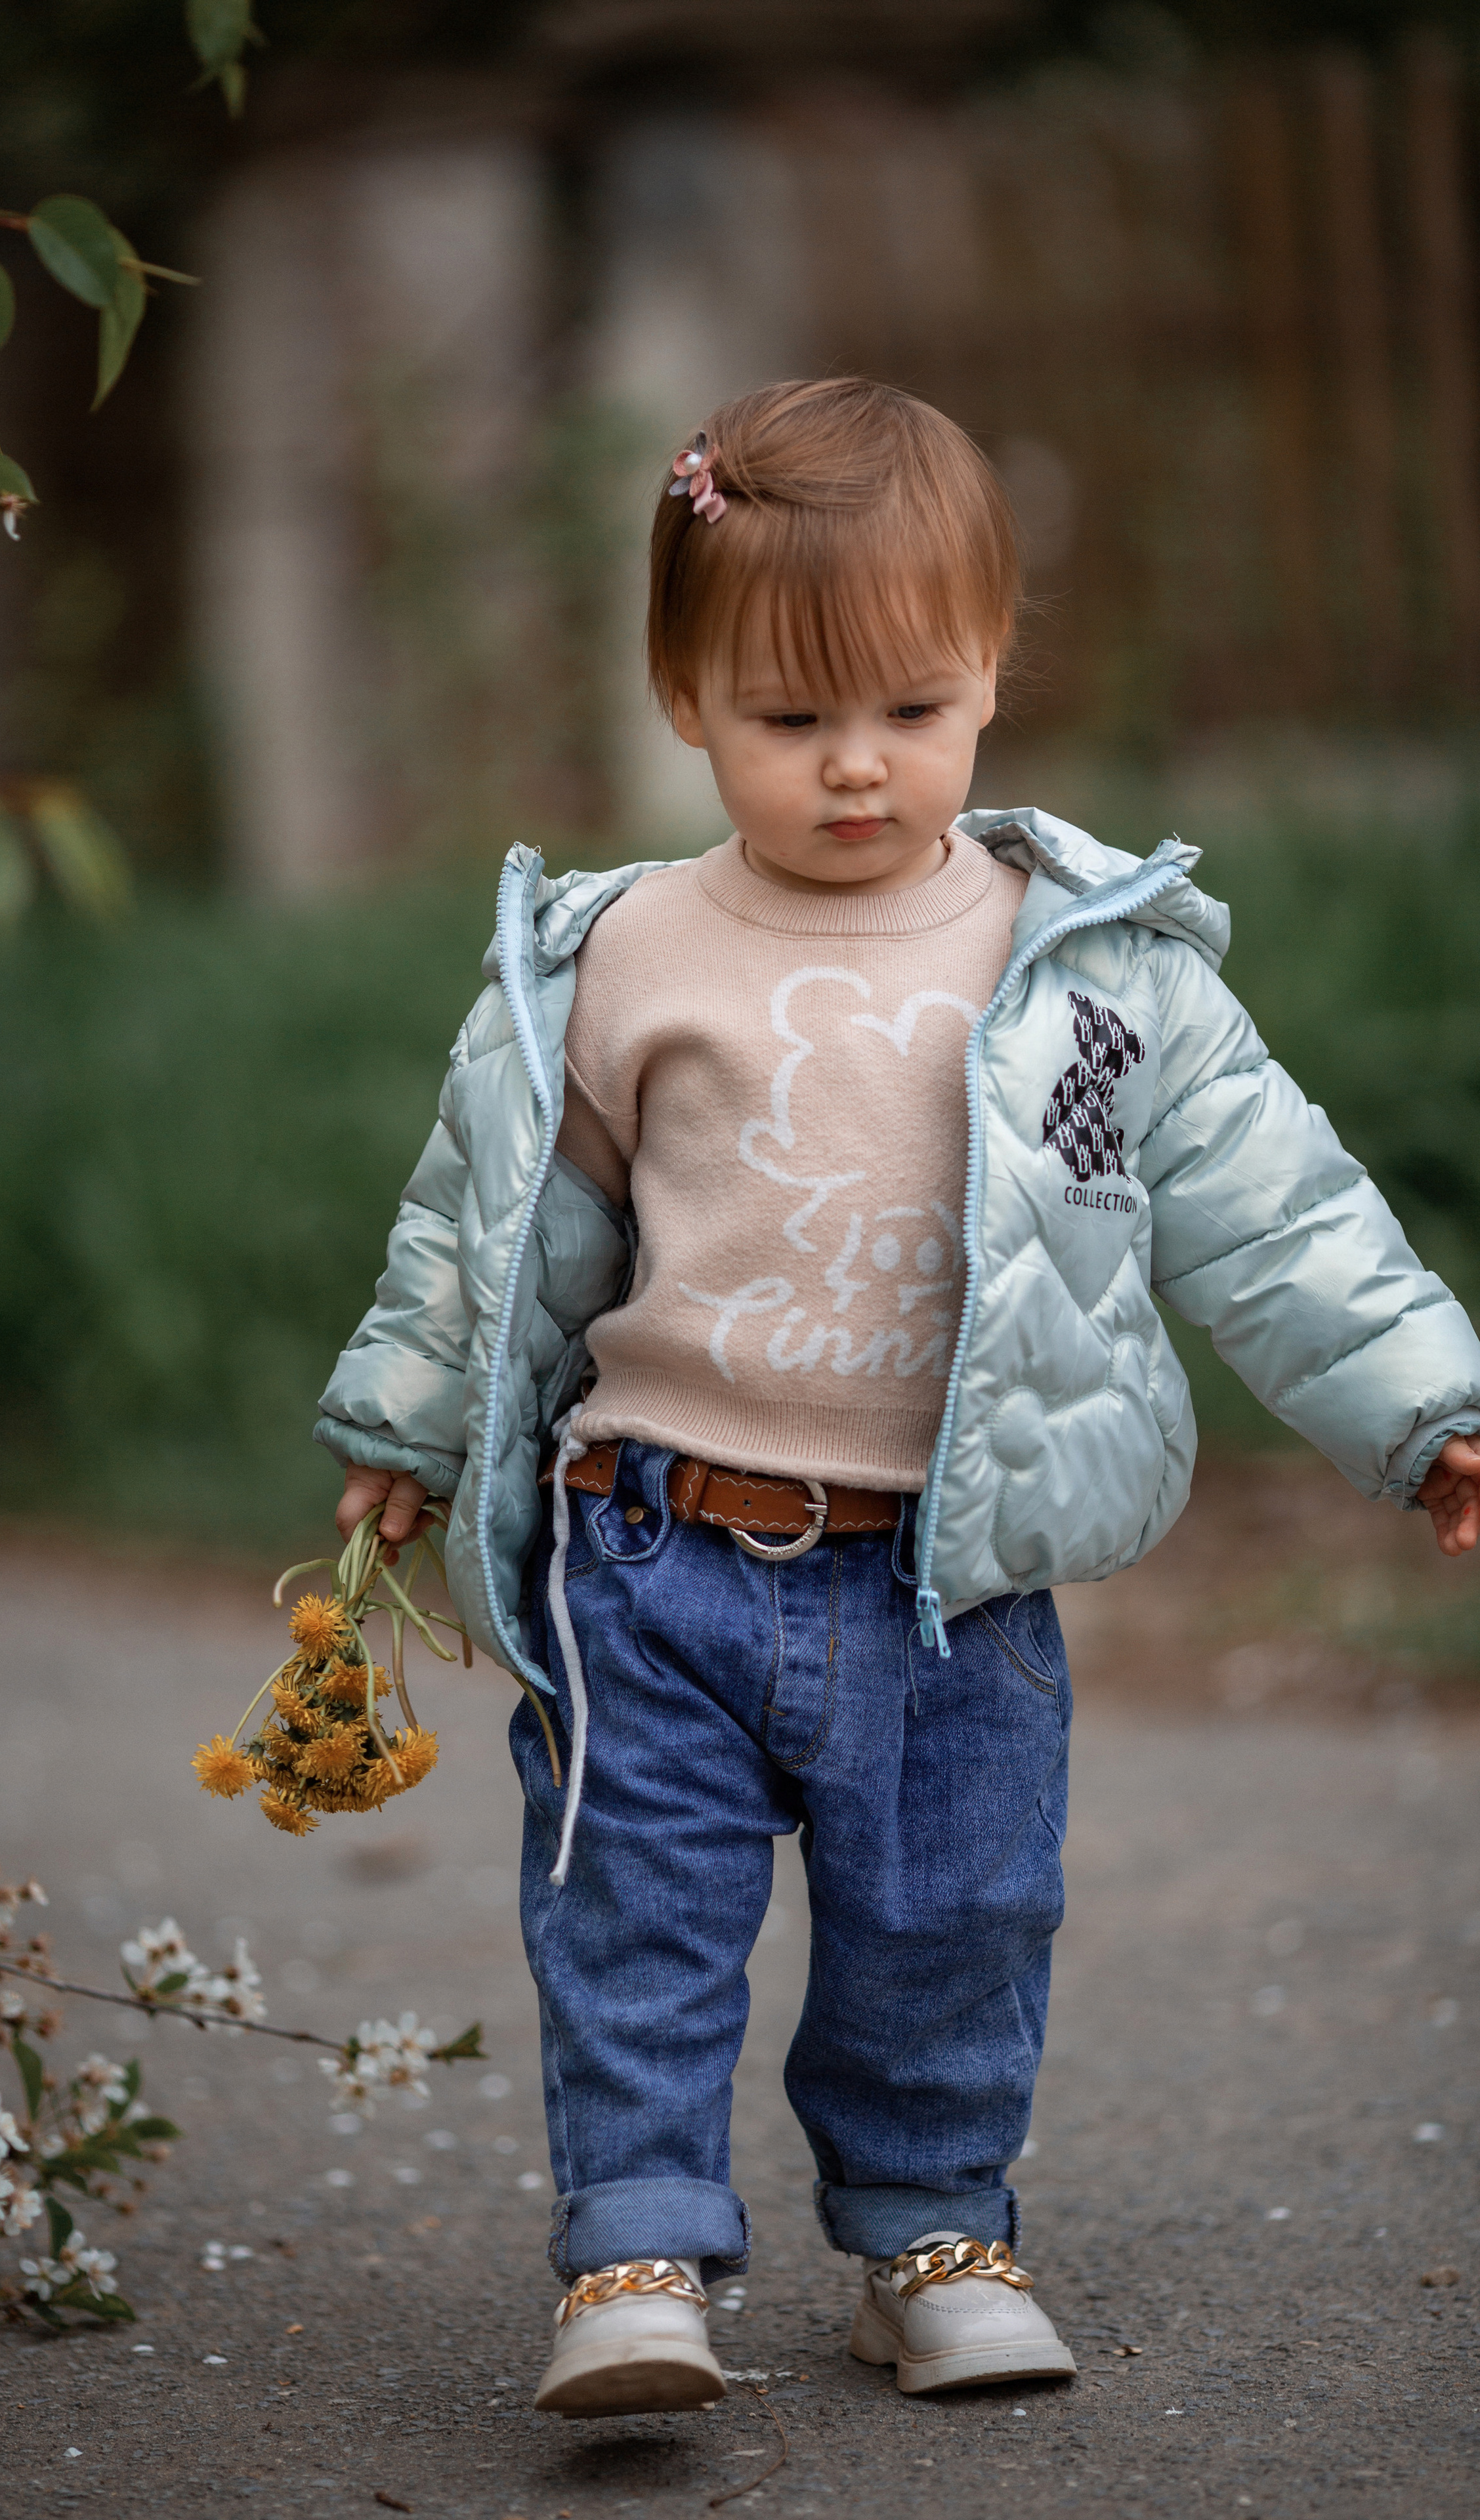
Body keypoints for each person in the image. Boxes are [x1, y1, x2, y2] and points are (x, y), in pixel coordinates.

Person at [314, 377, 1480, 2416]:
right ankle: (636, 2252)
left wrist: (1428, 1409)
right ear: (684, 694)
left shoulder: (1091, 965)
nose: (858, 764)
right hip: (652, 1550)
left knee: (955, 1921)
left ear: (996, 673)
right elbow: (493, 1231)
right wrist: (408, 1428)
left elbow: (1278, 1215)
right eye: (790, 717)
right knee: (634, 1914)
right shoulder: (617, 955)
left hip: (951, 1575)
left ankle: (934, 2232)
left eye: (915, 707)